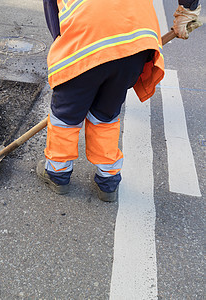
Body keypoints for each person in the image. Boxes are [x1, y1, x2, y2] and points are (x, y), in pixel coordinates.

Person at [37, 0, 202, 202]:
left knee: (65, 115)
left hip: (87, 38)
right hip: (136, 41)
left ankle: (57, 174)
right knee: (105, 113)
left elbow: (56, 22)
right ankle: (108, 182)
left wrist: (70, 58)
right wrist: (188, 8)